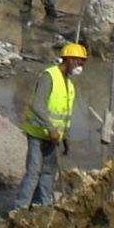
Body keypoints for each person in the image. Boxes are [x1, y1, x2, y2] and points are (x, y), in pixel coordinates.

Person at [14, 43, 86, 209]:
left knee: (48, 173)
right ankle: (20, 207)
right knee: (34, 172)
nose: (80, 67)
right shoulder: (49, 76)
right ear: (68, 59)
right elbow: (37, 105)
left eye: (82, 63)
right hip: (38, 133)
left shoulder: (69, 85)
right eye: (78, 62)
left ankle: (42, 206)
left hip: (53, 138)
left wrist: (65, 136)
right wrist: (51, 129)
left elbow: (65, 114)